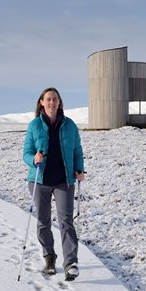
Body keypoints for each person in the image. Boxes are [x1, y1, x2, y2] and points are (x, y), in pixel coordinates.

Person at [23, 87, 85, 280]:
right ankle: (49, 258)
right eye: (48, 99)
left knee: (66, 221)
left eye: (55, 99)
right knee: (43, 222)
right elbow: (26, 153)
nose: (52, 102)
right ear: (42, 102)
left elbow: (77, 150)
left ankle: (71, 263)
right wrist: (34, 158)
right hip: (39, 180)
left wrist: (79, 168)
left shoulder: (69, 125)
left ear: (59, 102)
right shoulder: (34, 126)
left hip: (63, 181)